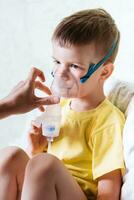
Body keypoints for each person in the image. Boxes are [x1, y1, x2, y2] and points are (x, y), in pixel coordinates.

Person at [0, 8, 125, 200]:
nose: (61, 73)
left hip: (78, 194)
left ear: (104, 72)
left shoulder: (107, 120)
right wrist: (35, 151)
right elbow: (37, 180)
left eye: (74, 66)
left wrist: (41, 162)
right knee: (11, 156)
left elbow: (108, 190)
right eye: (57, 62)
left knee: (45, 165)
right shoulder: (60, 107)